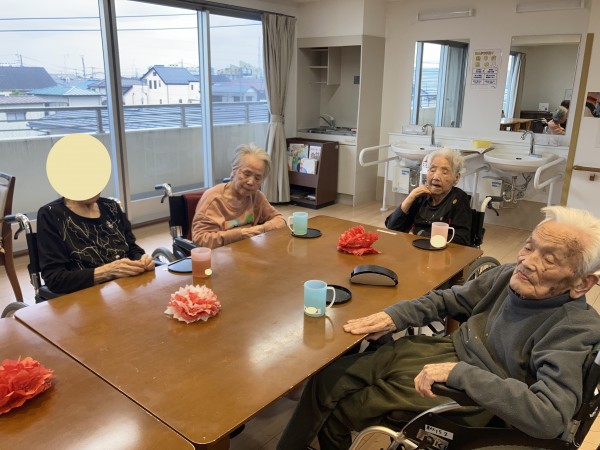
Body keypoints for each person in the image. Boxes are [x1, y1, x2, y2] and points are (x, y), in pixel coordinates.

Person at [277, 205, 600, 450]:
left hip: (477, 394)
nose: (527, 262)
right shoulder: (508, 275)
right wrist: (396, 316)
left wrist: (461, 374)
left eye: (549, 259)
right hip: (445, 350)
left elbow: (550, 417)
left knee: (344, 410)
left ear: (582, 283)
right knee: (328, 378)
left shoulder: (572, 328)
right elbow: (450, 299)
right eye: (529, 246)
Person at [37, 195, 155, 295]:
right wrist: (108, 271)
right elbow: (55, 279)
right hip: (85, 297)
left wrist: (141, 259)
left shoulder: (111, 206)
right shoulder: (51, 214)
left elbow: (131, 248)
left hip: (126, 288)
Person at [191, 143, 286, 249]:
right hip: (221, 255)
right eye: (246, 174)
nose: (251, 182)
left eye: (257, 178)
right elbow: (200, 240)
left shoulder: (256, 196)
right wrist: (240, 234)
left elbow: (280, 220)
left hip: (249, 250)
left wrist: (261, 229)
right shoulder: (213, 200)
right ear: (234, 171)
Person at [385, 148, 472, 246]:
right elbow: (392, 227)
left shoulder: (459, 199)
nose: (436, 177)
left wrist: (419, 234)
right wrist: (410, 197)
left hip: (442, 252)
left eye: (444, 172)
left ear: (456, 178)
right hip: (414, 249)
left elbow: (462, 239)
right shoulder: (421, 196)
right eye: (432, 170)